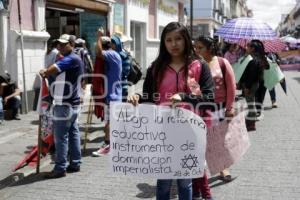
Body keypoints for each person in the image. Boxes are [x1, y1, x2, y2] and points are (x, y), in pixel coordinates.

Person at [127, 22, 215, 200]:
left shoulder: (200, 66)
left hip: (190, 132)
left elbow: (209, 98)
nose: (174, 44)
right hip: (162, 133)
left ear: (186, 40)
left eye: (178, 39)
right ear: (163, 43)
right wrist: (137, 98)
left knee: (185, 181)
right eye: (168, 40)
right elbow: (149, 98)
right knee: (164, 181)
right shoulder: (155, 68)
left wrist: (184, 97)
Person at [40, 34, 84, 179]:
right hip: (72, 103)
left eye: (64, 44)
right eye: (59, 44)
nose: (60, 46)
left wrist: (45, 72)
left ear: (72, 44)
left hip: (64, 104)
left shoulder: (71, 58)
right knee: (73, 134)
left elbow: (52, 69)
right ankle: (75, 163)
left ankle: (60, 168)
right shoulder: (74, 58)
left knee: (61, 137)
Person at [194, 36, 236, 185]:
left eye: (200, 48)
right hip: (200, 108)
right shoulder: (196, 64)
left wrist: (230, 107)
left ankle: (223, 168)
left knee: (219, 139)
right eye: (195, 47)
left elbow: (231, 86)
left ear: (209, 48)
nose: (196, 50)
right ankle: (201, 170)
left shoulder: (222, 63)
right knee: (203, 140)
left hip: (219, 107)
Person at [92, 34, 123, 157]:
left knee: (109, 121)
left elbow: (99, 52)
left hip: (113, 95)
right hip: (114, 94)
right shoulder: (115, 55)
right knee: (111, 121)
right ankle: (113, 144)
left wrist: (98, 37)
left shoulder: (111, 54)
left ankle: (108, 145)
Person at [239, 40, 269, 131]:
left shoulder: (252, 59)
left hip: (251, 84)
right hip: (255, 83)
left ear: (252, 49)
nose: (246, 48)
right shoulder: (258, 57)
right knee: (251, 102)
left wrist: (247, 87)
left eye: (248, 47)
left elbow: (251, 74)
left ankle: (251, 124)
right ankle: (251, 122)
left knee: (250, 104)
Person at [111, 35, 131, 101]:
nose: (111, 45)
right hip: (117, 87)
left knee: (120, 109)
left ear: (117, 44)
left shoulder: (121, 55)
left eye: (112, 44)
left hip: (122, 87)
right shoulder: (115, 54)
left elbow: (126, 70)